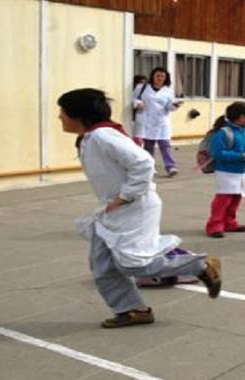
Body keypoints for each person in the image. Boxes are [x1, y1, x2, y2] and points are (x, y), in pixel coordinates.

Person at [59, 88, 221, 328]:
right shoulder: (92, 137)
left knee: (134, 264)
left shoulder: (104, 135)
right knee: (103, 266)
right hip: (112, 208)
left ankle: (201, 266)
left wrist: (125, 197)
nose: (60, 117)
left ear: (78, 115)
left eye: (62, 112)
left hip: (135, 205)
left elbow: (144, 163)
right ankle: (133, 310)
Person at [205, 102, 245, 238]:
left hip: (240, 171)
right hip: (225, 172)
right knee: (223, 199)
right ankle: (215, 225)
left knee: (236, 197)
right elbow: (217, 153)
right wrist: (241, 156)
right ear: (240, 117)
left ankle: (230, 222)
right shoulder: (223, 133)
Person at [133, 67, 183, 177]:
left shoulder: (168, 90)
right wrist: (138, 103)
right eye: (157, 76)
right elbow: (133, 98)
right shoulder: (142, 87)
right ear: (153, 76)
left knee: (165, 145)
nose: (160, 78)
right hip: (147, 120)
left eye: (162, 76)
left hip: (162, 121)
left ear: (166, 78)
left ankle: (171, 167)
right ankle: (150, 167)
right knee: (148, 146)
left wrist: (175, 105)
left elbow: (169, 107)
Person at [131, 74, 148, 147]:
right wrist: (138, 103)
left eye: (144, 83)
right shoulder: (132, 92)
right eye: (140, 83)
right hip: (133, 119)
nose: (142, 85)